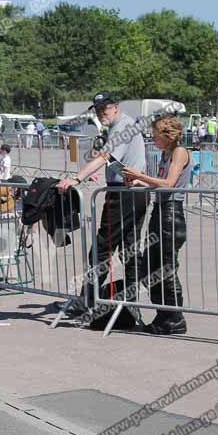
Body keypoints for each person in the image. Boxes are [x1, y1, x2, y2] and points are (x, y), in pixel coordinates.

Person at [57, 91, 149, 314]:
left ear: (116, 107)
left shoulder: (123, 127)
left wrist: (77, 178)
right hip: (131, 192)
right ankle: (130, 301)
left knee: (101, 248)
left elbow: (104, 158)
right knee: (128, 248)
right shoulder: (122, 125)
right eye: (97, 110)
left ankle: (89, 299)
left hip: (124, 194)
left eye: (104, 109)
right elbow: (115, 161)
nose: (101, 114)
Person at [121, 116, 191, 335]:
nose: (153, 139)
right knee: (150, 267)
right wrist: (141, 182)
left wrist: (140, 175)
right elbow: (160, 183)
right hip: (160, 211)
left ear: (167, 135)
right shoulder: (165, 154)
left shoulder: (179, 152)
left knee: (166, 267)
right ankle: (164, 313)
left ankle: (174, 316)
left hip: (171, 213)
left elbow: (170, 184)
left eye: (155, 135)